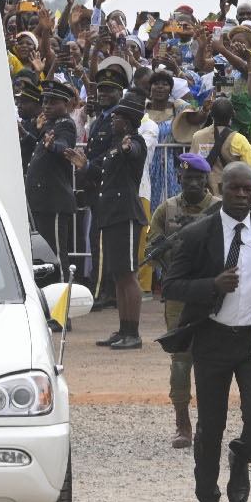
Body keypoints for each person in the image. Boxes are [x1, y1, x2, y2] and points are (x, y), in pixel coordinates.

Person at [157, 162, 251, 502]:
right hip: (212, 338)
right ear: (221, 189)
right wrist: (212, 285)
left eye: (249, 190)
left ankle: (240, 458)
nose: (242, 196)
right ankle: (207, 500)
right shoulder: (198, 234)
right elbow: (172, 285)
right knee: (211, 426)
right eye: (235, 189)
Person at [141, 152, 216, 445]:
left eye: (198, 179)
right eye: (188, 179)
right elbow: (150, 250)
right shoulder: (166, 210)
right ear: (178, 179)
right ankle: (182, 424)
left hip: (212, 293)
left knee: (211, 362)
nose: (193, 184)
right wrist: (162, 250)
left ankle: (209, 423)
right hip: (178, 296)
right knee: (181, 362)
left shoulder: (218, 209)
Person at [88, 92, 148, 348]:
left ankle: (133, 333)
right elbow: (101, 170)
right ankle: (123, 329)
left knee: (128, 274)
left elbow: (135, 152)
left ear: (129, 121)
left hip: (125, 214)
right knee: (118, 275)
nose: (113, 121)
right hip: (112, 214)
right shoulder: (114, 144)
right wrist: (84, 166)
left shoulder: (135, 141)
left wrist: (128, 147)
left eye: (118, 118)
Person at [26, 80, 81, 259]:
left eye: (52, 102)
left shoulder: (65, 124)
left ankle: (63, 287)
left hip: (54, 200)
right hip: (41, 200)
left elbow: (64, 145)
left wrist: (53, 147)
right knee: (43, 256)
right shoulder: (49, 124)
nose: (46, 106)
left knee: (56, 255)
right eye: (45, 101)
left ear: (65, 104)